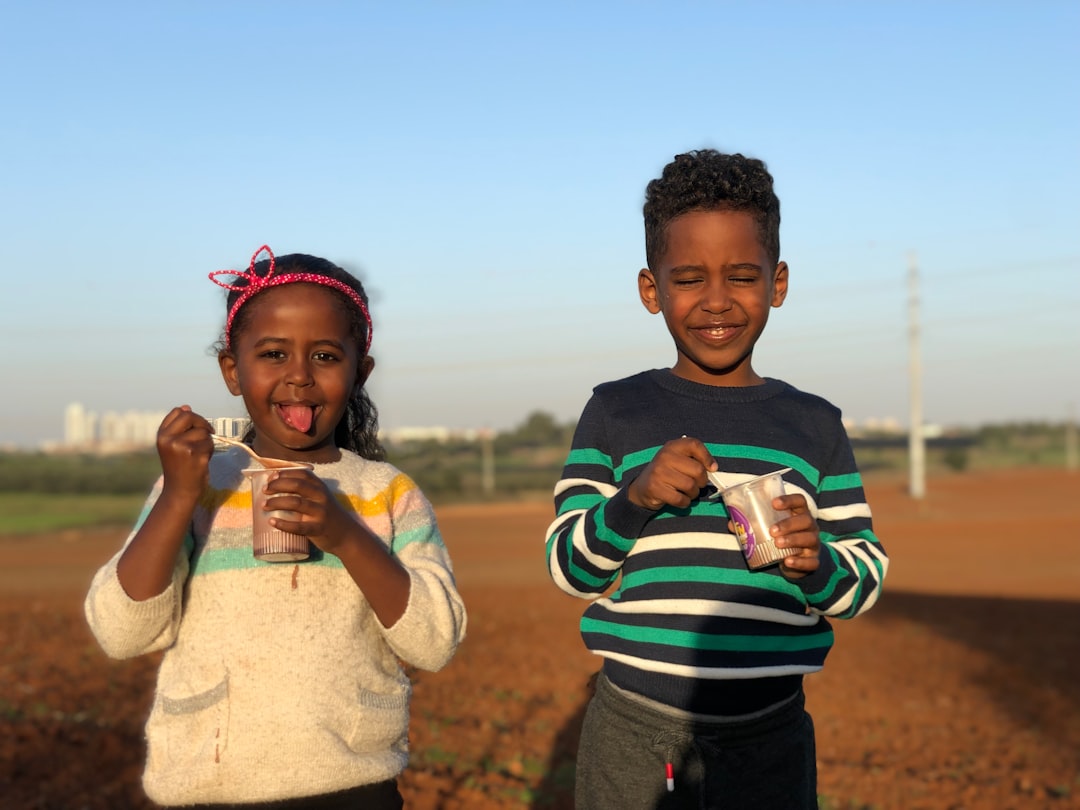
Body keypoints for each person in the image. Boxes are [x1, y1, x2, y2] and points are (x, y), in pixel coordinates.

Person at [545, 150, 888, 810]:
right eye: (689, 278)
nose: (716, 301)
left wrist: (816, 564)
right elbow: (569, 568)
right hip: (634, 730)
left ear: (777, 283)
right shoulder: (616, 411)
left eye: (741, 276)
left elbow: (863, 577)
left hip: (771, 734)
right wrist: (634, 498)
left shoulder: (814, 425)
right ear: (652, 289)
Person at [85, 246, 467, 809]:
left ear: (360, 372)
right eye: (272, 354)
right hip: (209, 785)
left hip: (351, 786)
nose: (299, 377)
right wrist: (179, 495)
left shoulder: (386, 493)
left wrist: (343, 534)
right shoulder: (195, 485)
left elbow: (435, 641)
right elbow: (122, 633)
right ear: (231, 371)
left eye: (325, 356)